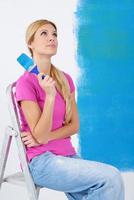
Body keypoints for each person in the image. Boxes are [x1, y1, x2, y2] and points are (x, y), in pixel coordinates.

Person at [16, 19, 124, 200]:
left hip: (68, 155)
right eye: (44, 33)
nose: (52, 38)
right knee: (111, 178)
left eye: (54, 34)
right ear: (30, 43)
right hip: (42, 161)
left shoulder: (65, 79)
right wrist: (49, 96)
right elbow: (40, 137)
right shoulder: (25, 83)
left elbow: (74, 126)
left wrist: (46, 137)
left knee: (102, 190)